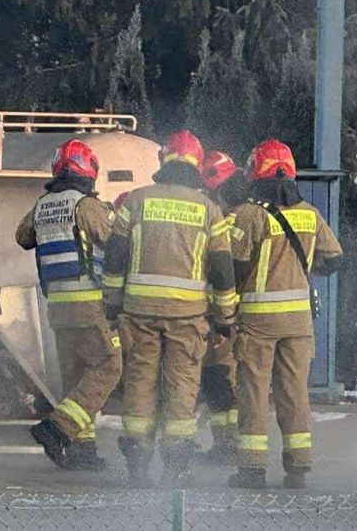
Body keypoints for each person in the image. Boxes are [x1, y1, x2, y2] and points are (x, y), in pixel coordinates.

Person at [104, 130, 238, 488]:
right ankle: (176, 468)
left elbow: (114, 257)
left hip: (139, 314)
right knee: (182, 390)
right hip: (188, 319)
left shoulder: (136, 201)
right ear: (196, 165)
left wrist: (112, 304)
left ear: (164, 161)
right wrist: (225, 316)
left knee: (140, 386)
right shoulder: (209, 209)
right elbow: (222, 269)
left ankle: (137, 466)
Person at [227, 139, 343, 489]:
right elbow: (334, 258)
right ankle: (299, 464)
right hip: (299, 322)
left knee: (254, 393)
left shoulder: (248, 214)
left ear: (254, 172)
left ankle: (252, 468)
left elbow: (232, 264)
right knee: (294, 392)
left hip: (258, 322)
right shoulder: (310, 214)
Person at [16, 139, 122, 471]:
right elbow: (116, 241)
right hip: (89, 302)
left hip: (58, 308)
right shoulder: (87, 206)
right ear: (88, 171)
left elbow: (23, 237)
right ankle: (59, 427)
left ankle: (82, 451)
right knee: (108, 366)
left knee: (75, 376)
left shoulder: (42, 205)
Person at [197, 150, 250, 464]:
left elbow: (225, 268)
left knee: (222, 376)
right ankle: (225, 444)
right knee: (217, 376)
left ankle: (229, 446)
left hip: (227, 312)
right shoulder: (232, 210)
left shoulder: (234, 215)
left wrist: (224, 314)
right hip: (221, 309)